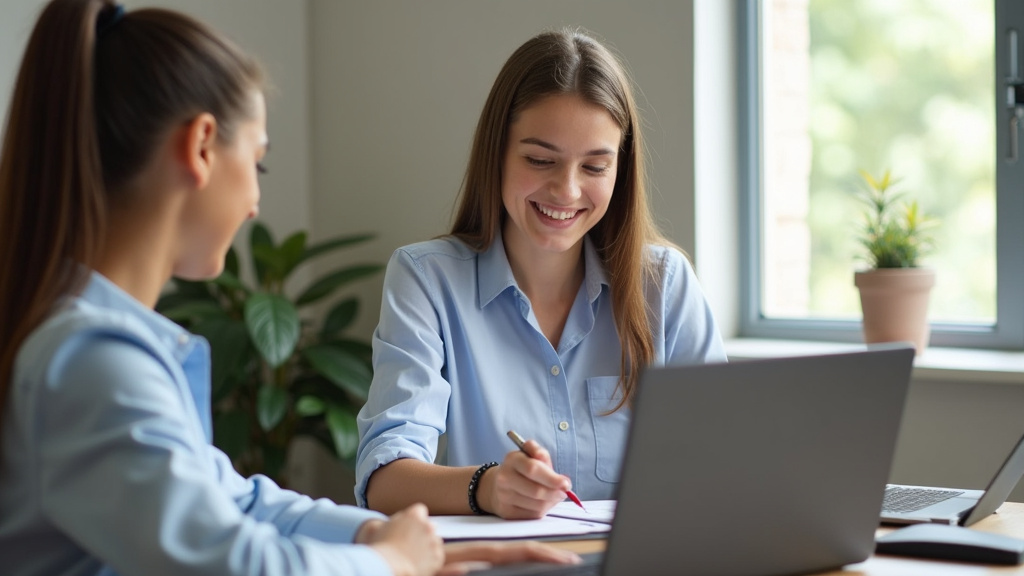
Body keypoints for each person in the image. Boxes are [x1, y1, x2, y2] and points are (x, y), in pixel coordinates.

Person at [0, 2, 579, 575]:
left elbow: (239, 501)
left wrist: (376, 534)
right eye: (258, 163)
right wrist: (390, 561)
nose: (255, 203)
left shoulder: (99, 346)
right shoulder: (93, 363)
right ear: (202, 147)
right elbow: (234, 564)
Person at [356, 27, 727, 520]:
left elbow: (727, 462)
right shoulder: (426, 279)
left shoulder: (664, 284)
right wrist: (485, 487)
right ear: (498, 153)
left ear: (621, 169)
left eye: (594, 167)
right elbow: (385, 477)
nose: (566, 191)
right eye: (540, 160)